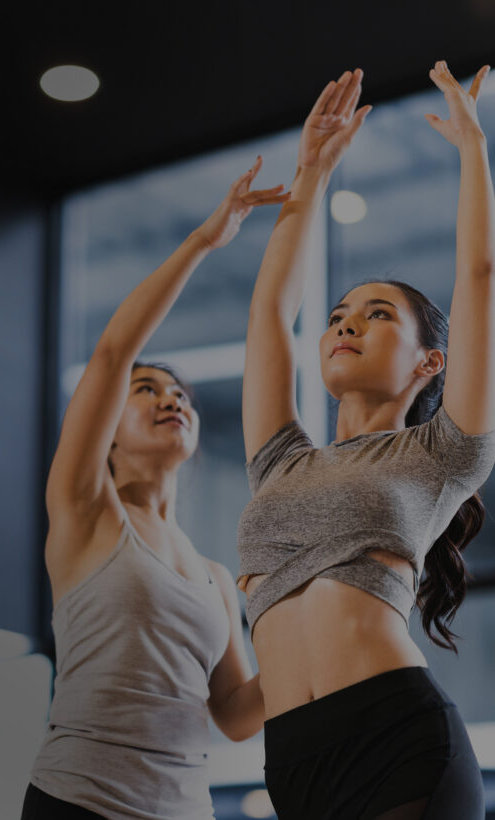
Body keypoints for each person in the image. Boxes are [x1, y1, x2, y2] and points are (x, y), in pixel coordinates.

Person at [238, 63, 495, 819]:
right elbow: (266, 316)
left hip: (398, 739)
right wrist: (311, 171)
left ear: (429, 362)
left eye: (378, 314)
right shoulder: (280, 460)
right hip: (294, 759)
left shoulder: (444, 454)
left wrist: (474, 149)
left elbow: (480, 274)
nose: (346, 322)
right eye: (341, 313)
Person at [21, 160, 290, 820]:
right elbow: (114, 351)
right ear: (105, 432)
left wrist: (309, 630)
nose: (171, 398)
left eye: (179, 394)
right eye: (148, 391)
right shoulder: (85, 508)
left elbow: (234, 714)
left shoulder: (216, 579)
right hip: (78, 802)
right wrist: (205, 240)